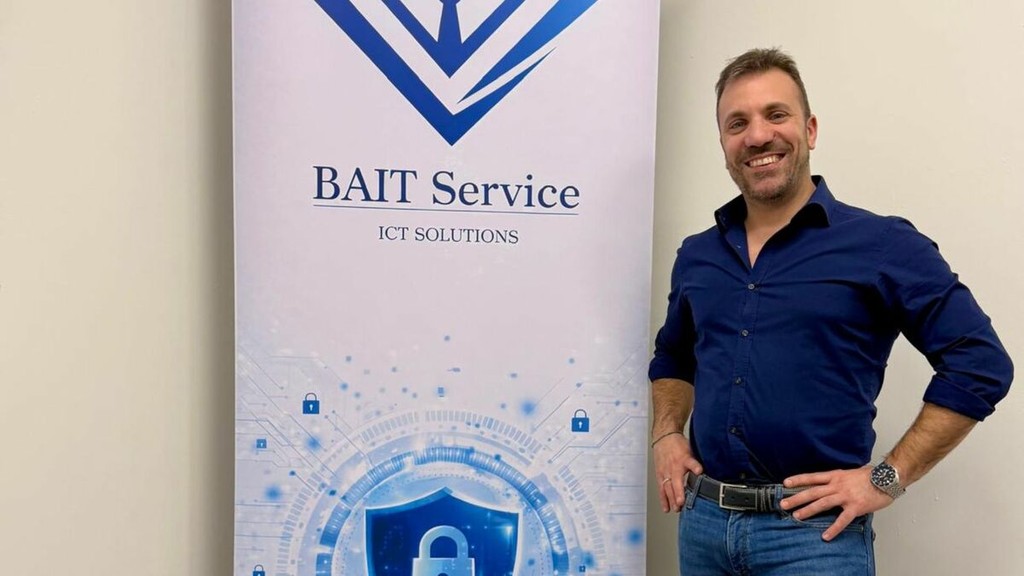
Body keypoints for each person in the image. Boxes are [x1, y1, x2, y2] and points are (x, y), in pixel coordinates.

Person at [649, 47, 1013, 575]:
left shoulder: (883, 244)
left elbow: (980, 364)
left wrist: (886, 478)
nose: (757, 136)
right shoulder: (697, 254)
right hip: (703, 526)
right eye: (737, 123)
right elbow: (673, 357)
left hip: (814, 539)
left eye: (776, 114)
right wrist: (666, 433)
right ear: (724, 144)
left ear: (810, 129)